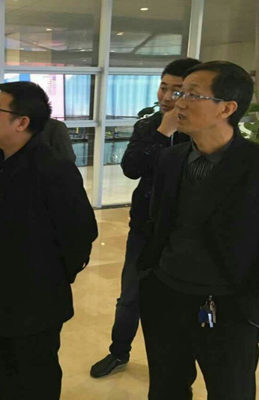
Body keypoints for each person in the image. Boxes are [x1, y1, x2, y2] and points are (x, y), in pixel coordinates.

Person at [138, 61, 259, 399]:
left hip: (230, 308)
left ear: (227, 108)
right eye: (179, 93)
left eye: (192, 95)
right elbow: (158, 224)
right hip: (166, 296)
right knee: (166, 389)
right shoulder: (171, 159)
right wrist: (149, 276)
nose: (178, 103)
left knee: (231, 391)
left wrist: (253, 312)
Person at [0, 81, 98, 399]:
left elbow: (82, 233)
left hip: (37, 298)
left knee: (36, 372)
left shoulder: (54, 169)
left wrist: (52, 277)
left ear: (22, 122)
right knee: (4, 361)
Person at [90, 58, 201, 378]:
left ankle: (173, 362)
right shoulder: (148, 125)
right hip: (145, 227)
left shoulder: (201, 131)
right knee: (130, 296)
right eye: (163, 87)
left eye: (177, 90)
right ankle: (118, 352)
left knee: (177, 302)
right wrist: (163, 130)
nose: (166, 96)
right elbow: (132, 168)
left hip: (184, 233)